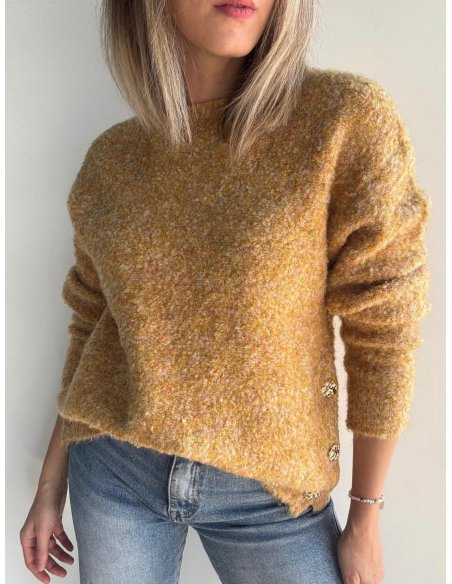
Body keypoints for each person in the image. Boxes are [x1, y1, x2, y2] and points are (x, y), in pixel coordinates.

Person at [19, 1, 432, 583]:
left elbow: (385, 323)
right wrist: (49, 485)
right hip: (115, 471)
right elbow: (91, 322)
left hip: (270, 495)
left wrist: (366, 515)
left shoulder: (341, 120)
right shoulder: (111, 161)